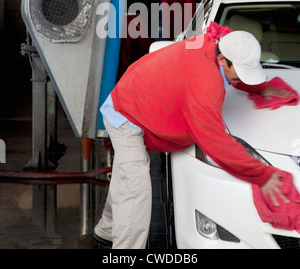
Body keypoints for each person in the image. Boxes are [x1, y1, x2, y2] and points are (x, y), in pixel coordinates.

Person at [93, 22, 292, 249]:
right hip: (127, 114)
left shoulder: (219, 42)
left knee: (126, 177)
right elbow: (216, 144)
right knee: (136, 191)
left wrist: (260, 87)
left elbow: (237, 69)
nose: (240, 80)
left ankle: (106, 231)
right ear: (221, 60)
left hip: (135, 94)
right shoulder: (204, 83)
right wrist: (262, 174)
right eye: (239, 76)